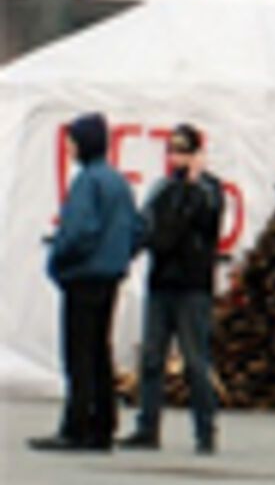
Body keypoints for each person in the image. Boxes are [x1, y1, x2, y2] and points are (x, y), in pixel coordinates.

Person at [30, 113, 142, 453]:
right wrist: (119, 257)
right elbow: (137, 230)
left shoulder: (86, 182)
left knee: (78, 353)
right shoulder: (119, 183)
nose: (68, 148)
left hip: (83, 277)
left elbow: (79, 230)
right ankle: (103, 423)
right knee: (99, 351)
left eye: (72, 141)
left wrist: (59, 258)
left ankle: (77, 425)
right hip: (109, 276)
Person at [121, 124, 225, 455]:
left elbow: (208, 221)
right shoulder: (162, 189)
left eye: (184, 152)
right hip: (162, 282)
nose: (177, 158)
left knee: (195, 361)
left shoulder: (210, 190)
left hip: (192, 287)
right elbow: (150, 228)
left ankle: (205, 429)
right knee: (152, 358)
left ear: (197, 155)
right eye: (174, 152)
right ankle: (147, 426)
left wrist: (193, 186)